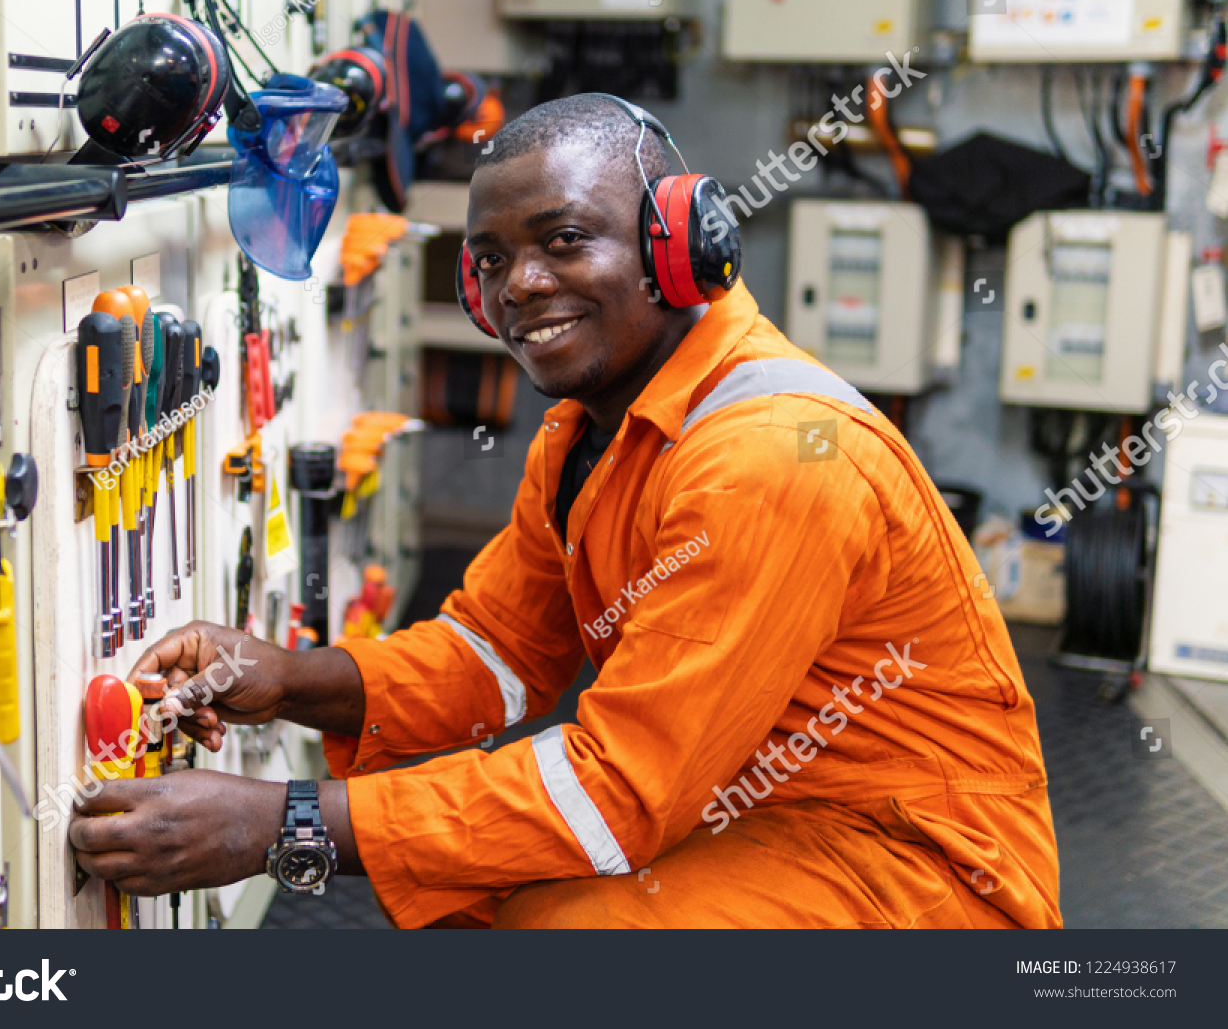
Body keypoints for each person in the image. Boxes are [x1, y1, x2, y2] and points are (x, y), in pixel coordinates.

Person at [71, 94, 1061, 929]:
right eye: (491, 261)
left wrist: (273, 825)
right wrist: (285, 678)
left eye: (564, 240)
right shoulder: (592, 432)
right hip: (756, 810)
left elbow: (617, 791)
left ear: (681, 247)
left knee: (551, 923)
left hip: (922, 876)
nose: (521, 286)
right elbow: (496, 654)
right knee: (480, 876)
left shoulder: (772, 459)